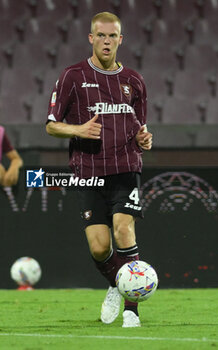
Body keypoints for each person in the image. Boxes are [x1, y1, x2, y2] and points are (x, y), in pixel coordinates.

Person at [46, 12, 152, 327]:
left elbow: (140, 128)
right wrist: (78, 131)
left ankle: (132, 310)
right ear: (91, 38)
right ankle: (116, 285)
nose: (107, 41)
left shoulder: (134, 80)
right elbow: (51, 127)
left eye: (113, 36)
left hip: (125, 167)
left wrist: (144, 139)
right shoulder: (72, 76)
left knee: (123, 229)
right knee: (99, 247)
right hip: (88, 171)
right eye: (101, 36)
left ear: (121, 39)